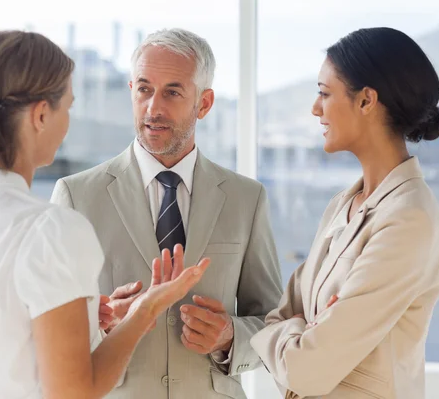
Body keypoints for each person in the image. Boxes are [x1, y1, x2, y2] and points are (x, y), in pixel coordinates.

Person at [0, 30, 210, 399]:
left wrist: (74, 321)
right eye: (68, 106)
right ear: (41, 114)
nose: (68, 124)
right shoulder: (52, 230)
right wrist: (146, 310)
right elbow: (75, 392)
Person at [51, 28, 283, 399]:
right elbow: (50, 332)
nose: (153, 108)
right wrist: (103, 324)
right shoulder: (76, 196)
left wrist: (229, 337)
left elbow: (276, 322)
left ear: (204, 104)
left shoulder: (246, 199)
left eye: (172, 92)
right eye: (144, 89)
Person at [250, 27, 439, 399]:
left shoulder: (409, 219)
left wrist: (296, 334)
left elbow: (306, 370)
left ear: (367, 101)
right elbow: (279, 316)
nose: (314, 108)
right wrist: (300, 331)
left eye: (325, 93)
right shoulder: (342, 205)